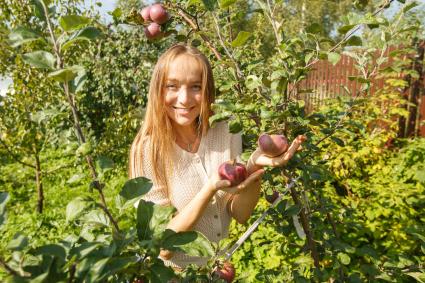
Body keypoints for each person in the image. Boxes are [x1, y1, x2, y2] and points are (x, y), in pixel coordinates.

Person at [129, 43, 305, 270]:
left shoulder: (225, 128)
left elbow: (239, 213)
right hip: (172, 275)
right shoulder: (147, 151)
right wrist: (209, 188)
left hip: (216, 270)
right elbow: (161, 245)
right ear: (158, 91)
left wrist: (254, 167)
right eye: (171, 86)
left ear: (208, 90)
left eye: (195, 86)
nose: (184, 99)